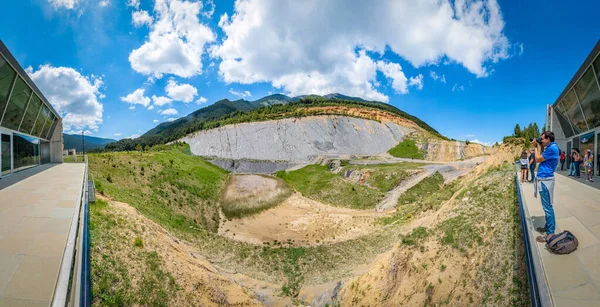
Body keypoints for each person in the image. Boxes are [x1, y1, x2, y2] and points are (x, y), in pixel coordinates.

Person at [533, 131, 559, 243]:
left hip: (546, 181)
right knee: (546, 207)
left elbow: (538, 159)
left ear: (548, 139)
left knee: (548, 207)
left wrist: (535, 147)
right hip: (544, 180)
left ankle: (550, 233)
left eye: (542, 139)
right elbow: (542, 156)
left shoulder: (552, 148)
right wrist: (539, 145)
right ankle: (548, 226)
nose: (541, 140)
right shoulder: (550, 147)